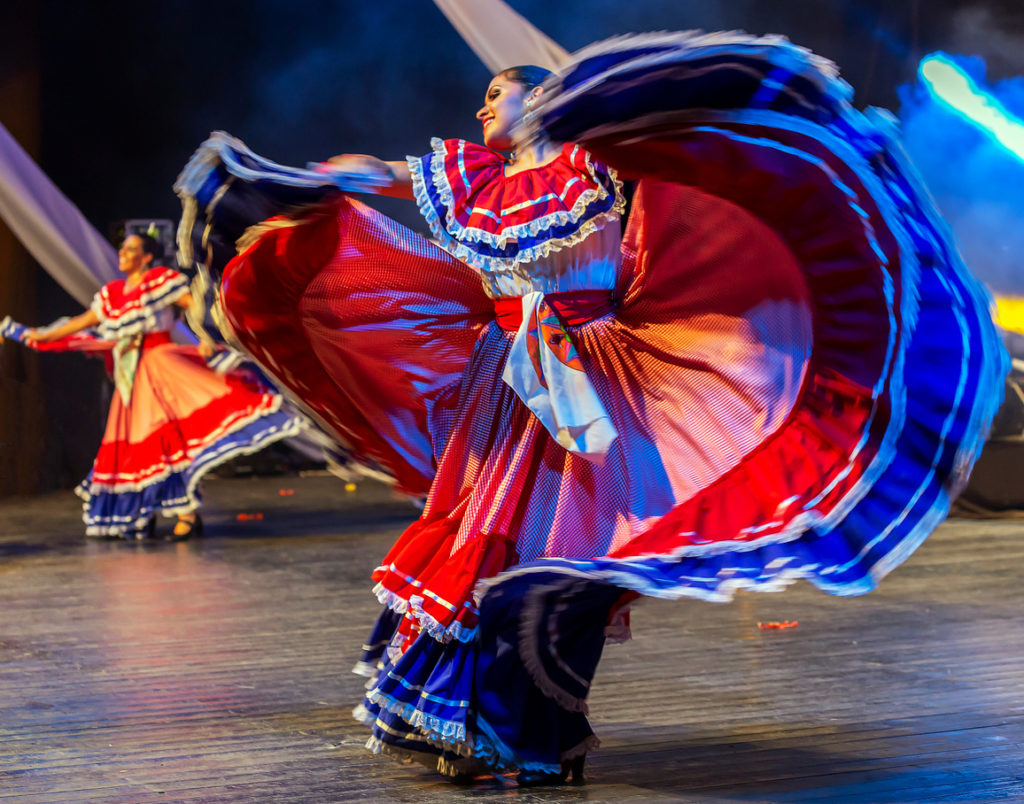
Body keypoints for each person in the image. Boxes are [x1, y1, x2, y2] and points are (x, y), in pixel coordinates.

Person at [175, 32, 1007, 784]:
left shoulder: (594, 166)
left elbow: (683, 162)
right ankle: (475, 723)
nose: (480, 107)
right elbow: (375, 174)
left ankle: (522, 727)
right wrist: (291, 183)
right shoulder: (477, 179)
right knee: (484, 545)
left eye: (495, 93)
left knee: (557, 557)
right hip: (506, 385)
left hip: (593, 376)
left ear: (537, 99)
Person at [1, 232, 302, 539]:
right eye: (123, 247)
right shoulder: (112, 294)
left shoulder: (158, 281)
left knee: (167, 443)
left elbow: (194, 307)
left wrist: (208, 338)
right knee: (139, 449)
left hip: (162, 367)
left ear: (146, 257)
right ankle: (142, 513)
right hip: (131, 378)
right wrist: (35, 335)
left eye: (131, 249)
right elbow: (78, 323)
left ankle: (187, 513)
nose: (123, 252)